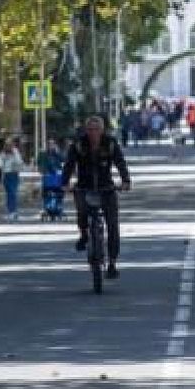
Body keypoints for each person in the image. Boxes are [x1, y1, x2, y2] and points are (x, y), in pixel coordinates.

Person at [61, 115, 131, 279]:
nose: (93, 133)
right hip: (84, 187)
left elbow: (120, 162)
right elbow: (69, 164)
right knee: (82, 212)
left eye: (97, 129)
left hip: (106, 188)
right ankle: (84, 234)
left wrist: (125, 181)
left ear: (102, 130)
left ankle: (112, 263)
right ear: (86, 130)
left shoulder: (110, 143)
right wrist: (65, 183)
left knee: (112, 224)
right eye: (90, 130)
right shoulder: (78, 144)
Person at [0, 139, 25, 221]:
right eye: (6, 145)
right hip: (6, 175)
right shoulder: (3, 153)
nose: (8, 146)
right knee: (8, 194)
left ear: (12, 145)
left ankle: (13, 211)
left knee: (13, 193)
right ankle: (10, 211)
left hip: (14, 174)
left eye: (9, 145)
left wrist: (14, 154)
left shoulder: (15, 152)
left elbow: (19, 162)